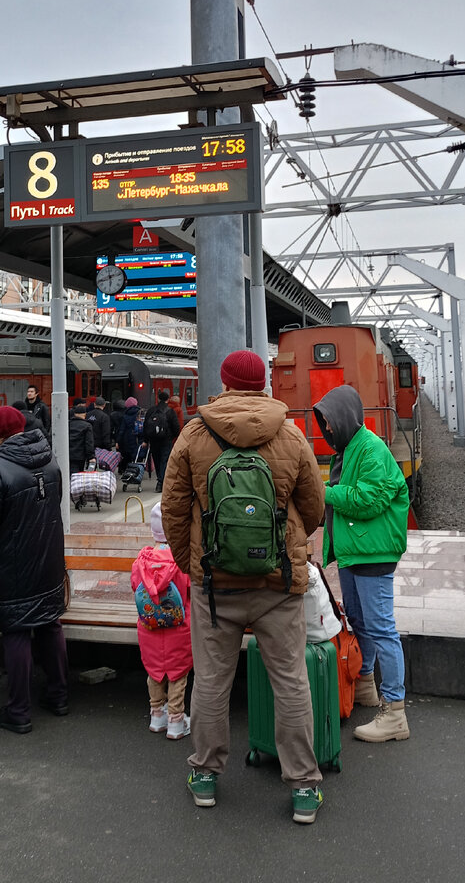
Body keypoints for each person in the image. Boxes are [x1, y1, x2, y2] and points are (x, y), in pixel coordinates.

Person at [162, 349, 326, 823]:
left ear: (225, 381)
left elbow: (173, 509)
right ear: (263, 384)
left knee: (212, 682)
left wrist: (192, 565)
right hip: (279, 583)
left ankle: (207, 775)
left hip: (215, 586)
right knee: (291, 682)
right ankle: (303, 788)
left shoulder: (195, 433)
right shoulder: (291, 433)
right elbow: (313, 508)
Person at [313, 384, 410, 743]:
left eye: (329, 421)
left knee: (382, 628)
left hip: (373, 554)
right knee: (359, 620)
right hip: (357, 552)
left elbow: (367, 499)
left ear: (345, 417)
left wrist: (321, 491)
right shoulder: (350, 448)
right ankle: (367, 684)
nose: (327, 429)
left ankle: (395, 712)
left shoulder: (371, 449)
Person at [0, 406, 68, 734]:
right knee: (50, 625)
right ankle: (58, 696)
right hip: (49, 556)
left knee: (16, 631)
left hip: (14, 562)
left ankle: (19, 711)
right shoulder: (50, 458)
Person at [131, 502, 192, 740]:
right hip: (179, 628)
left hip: (149, 627)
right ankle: (176, 720)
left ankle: (157, 714)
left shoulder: (142, 561)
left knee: (155, 671)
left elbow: (135, 587)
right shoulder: (181, 562)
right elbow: (189, 592)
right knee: (178, 673)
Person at [142, 390, 181, 492]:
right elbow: (176, 427)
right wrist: (173, 437)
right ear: (168, 400)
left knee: (157, 460)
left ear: (158, 399)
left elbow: (145, 426)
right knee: (164, 460)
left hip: (153, 440)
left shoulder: (151, 411)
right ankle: (160, 482)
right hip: (166, 440)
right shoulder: (170, 411)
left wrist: (146, 440)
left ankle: (160, 478)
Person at [68, 403, 95, 477]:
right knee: (77, 476)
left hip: (67, 455)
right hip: (80, 456)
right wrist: (91, 456)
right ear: (84, 414)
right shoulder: (87, 426)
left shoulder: (67, 424)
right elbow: (89, 442)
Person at [116, 397, 139, 470]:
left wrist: (118, 441)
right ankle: (135, 468)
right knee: (136, 453)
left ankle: (126, 469)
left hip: (127, 438)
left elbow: (122, 430)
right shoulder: (140, 413)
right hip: (137, 437)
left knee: (126, 454)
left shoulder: (125, 415)